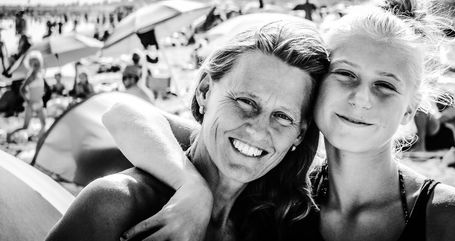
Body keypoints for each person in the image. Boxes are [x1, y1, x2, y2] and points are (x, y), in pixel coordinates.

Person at [100, 0, 455, 241]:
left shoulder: (446, 218)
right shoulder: (277, 176)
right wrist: (192, 187)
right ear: (318, 85)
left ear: (410, 108)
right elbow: (126, 113)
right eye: (345, 75)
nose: (361, 98)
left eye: (385, 85)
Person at [45, 21, 330, 241]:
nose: (257, 130)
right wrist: (194, 188)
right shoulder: (116, 204)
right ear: (205, 91)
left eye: (282, 117)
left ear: (300, 134)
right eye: (245, 102)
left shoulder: (291, 222)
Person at [7, 51, 47, 142]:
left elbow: (40, 88)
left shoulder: (40, 74)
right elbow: (22, 90)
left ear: (39, 63)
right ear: (30, 64)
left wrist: (41, 92)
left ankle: (40, 139)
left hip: (39, 103)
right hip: (31, 104)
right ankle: (10, 134)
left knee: (44, 123)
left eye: (36, 62)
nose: (35, 64)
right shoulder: (31, 76)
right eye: (33, 62)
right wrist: (28, 100)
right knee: (25, 126)